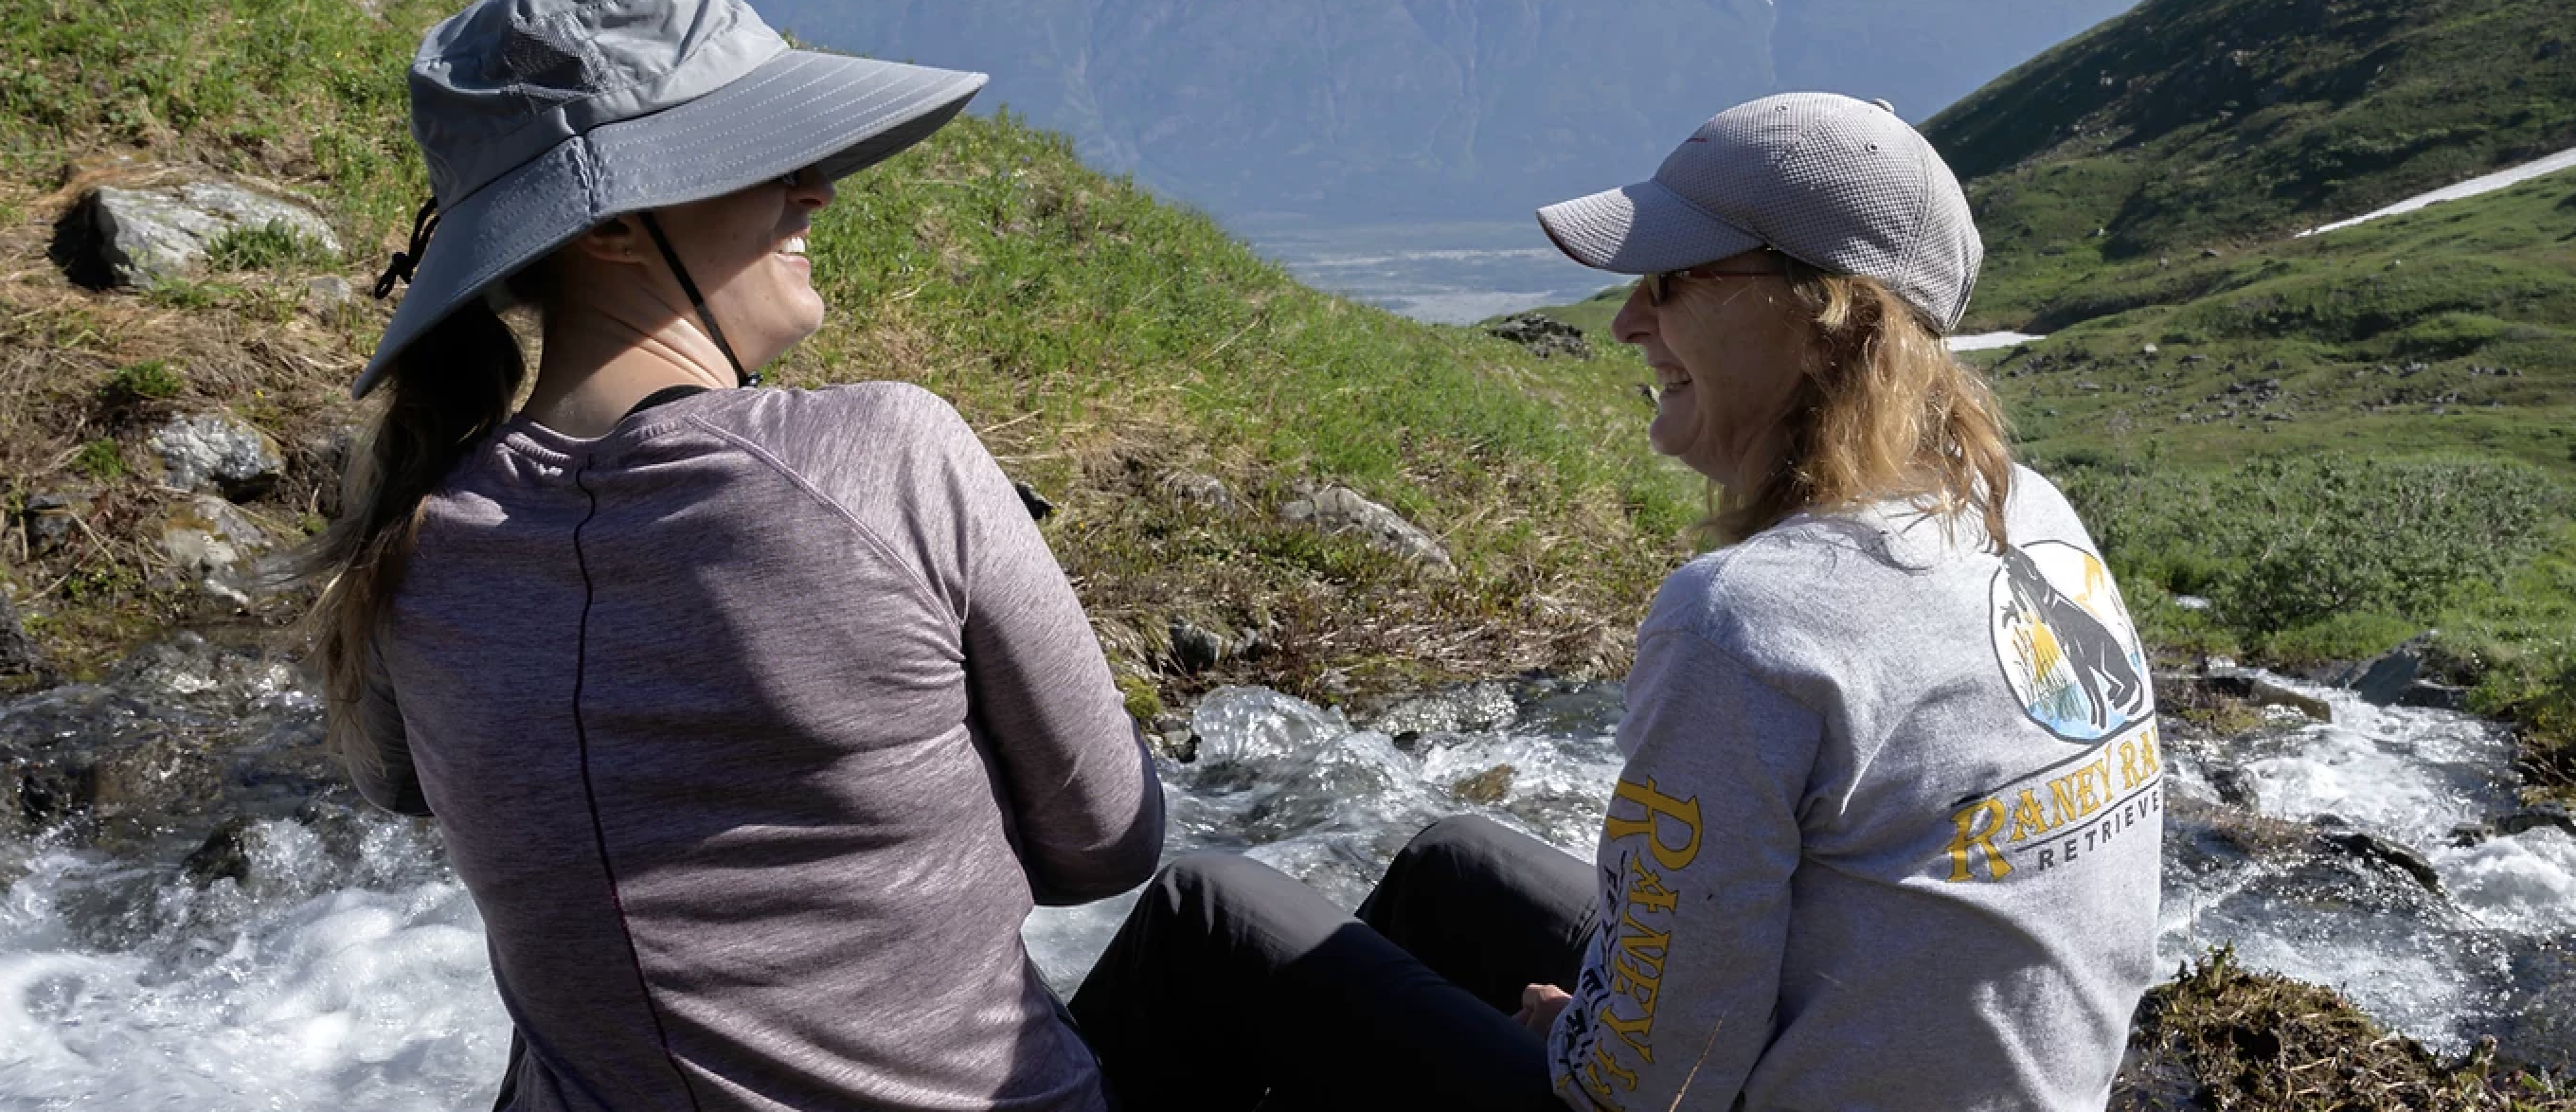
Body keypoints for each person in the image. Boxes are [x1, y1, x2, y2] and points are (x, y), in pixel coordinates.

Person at [1070, 92, 2163, 1111]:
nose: (1626, 321)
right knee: (1452, 865)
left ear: (1823, 313)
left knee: (1203, 913)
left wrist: (1572, 1040)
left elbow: (1642, 1087)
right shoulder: (2026, 512)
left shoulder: (1748, 619)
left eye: (1672, 278)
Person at [300, 2, 1163, 1109]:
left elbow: (404, 788)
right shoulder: (885, 455)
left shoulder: (411, 541)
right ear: (611, 224)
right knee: (1251, 917)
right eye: (762, 156)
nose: (816, 187)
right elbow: (1108, 845)